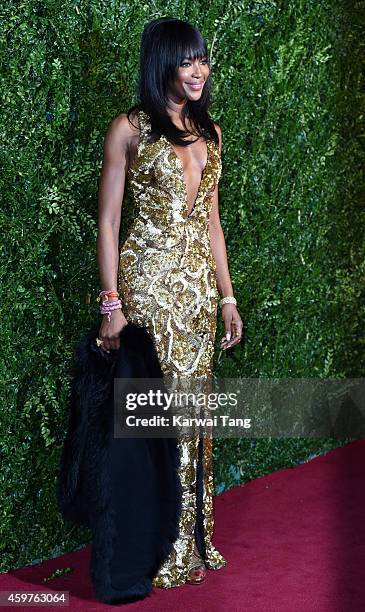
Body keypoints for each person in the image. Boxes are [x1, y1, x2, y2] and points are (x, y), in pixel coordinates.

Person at [96, 17, 244, 588]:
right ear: (163, 62)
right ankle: (153, 546)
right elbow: (109, 223)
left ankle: (191, 541)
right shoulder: (129, 129)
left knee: (195, 415)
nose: (200, 70)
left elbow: (212, 223)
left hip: (197, 289)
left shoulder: (210, 132)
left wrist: (227, 297)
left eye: (203, 60)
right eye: (188, 61)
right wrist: (112, 303)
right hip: (148, 285)